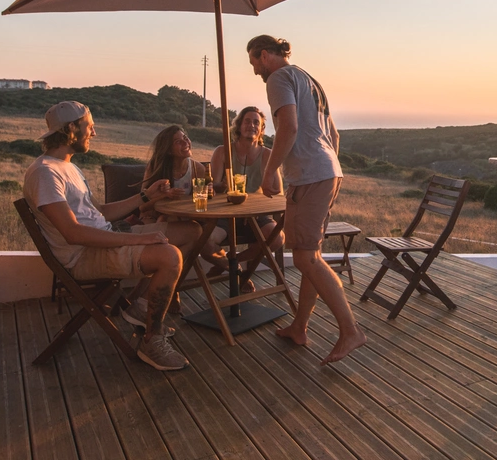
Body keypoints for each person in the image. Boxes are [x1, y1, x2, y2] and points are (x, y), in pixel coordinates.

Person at [23, 101, 198, 371]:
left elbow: (101, 212)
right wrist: (139, 239)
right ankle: (152, 339)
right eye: (89, 126)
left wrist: (146, 196)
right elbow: (73, 233)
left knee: (191, 231)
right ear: (71, 129)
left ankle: (140, 307)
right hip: (84, 255)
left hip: (106, 237)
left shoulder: (68, 167)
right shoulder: (45, 173)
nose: (94, 133)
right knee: (169, 257)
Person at [246, 35, 366, 364]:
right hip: (327, 172)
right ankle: (299, 326)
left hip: (311, 176)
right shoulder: (309, 79)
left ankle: (350, 330)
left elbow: (289, 126)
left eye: (254, 62)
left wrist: (270, 172)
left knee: (304, 257)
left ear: (265, 55)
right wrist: (326, 166)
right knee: (310, 254)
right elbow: (334, 135)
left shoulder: (278, 78)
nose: (254, 70)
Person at [209, 107, 284, 291]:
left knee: (277, 238)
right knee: (205, 240)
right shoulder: (223, 152)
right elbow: (213, 187)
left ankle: (232, 263)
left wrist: (258, 203)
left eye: (256, 122)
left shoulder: (267, 155)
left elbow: (278, 193)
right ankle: (237, 272)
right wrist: (221, 186)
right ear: (239, 126)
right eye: (247, 121)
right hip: (226, 213)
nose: (252, 125)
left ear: (261, 129)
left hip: (256, 214)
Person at [140, 125, 228, 274]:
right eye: (178, 141)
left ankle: (233, 269)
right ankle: (233, 268)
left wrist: (210, 192)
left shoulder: (197, 169)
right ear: (168, 150)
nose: (185, 142)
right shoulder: (156, 168)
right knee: (183, 238)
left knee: (199, 239)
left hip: (187, 220)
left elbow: (204, 202)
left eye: (185, 138)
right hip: (155, 218)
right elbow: (143, 207)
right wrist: (163, 195)